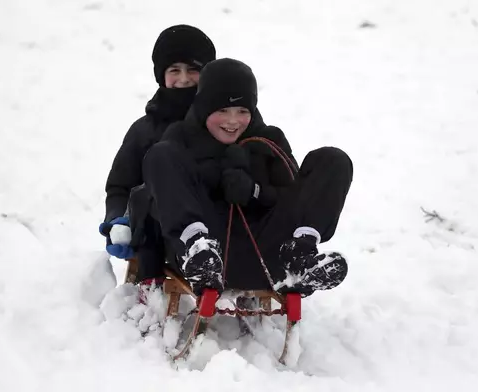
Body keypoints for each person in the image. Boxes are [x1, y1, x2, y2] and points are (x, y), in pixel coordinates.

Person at [142, 58, 353, 297]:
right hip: (211, 255)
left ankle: (300, 256)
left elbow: (296, 197)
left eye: (242, 111)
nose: (232, 121)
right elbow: (158, 198)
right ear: (203, 108)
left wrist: (255, 191)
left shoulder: (269, 141)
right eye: (222, 110)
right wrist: (214, 180)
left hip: (271, 253)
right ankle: (198, 247)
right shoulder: (180, 138)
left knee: (333, 159)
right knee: (160, 155)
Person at [100, 25, 216, 303]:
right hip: (159, 237)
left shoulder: (223, 124)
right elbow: (120, 185)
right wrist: (118, 220)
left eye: (193, 69)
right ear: (161, 75)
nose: (184, 79)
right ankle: (151, 290)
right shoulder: (144, 130)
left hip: (219, 231)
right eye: (174, 70)